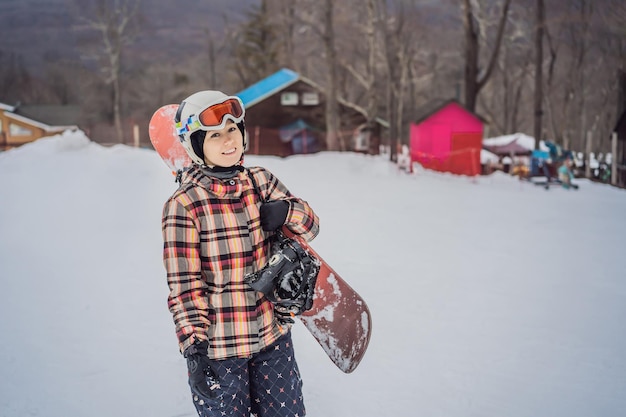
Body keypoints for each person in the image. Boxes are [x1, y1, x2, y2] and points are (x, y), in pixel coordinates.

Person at [161, 90, 319, 417]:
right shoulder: (184, 205)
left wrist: (287, 211)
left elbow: (312, 226)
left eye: (233, 129)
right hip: (220, 347)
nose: (228, 140)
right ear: (196, 145)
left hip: (272, 337)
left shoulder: (260, 181)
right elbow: (185, 285)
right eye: (215, 135)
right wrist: (194, 348)